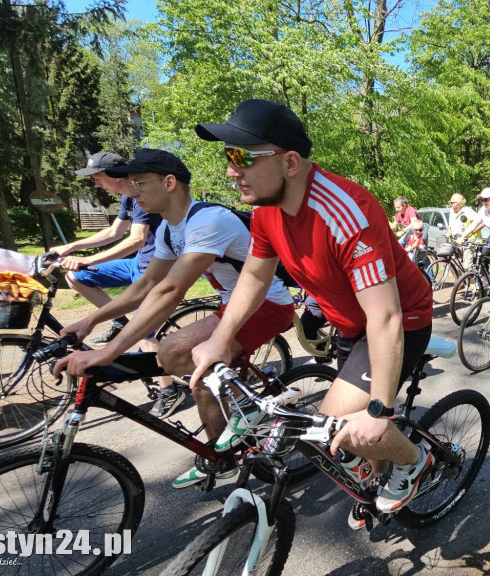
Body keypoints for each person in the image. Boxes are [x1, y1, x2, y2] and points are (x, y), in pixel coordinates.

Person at [190, 99, 435, 522]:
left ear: (289, 162)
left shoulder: (346, 214)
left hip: (401, 320)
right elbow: (253, 277)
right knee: (350, 436)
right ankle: (374, 482)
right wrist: (219, 339)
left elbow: (386, 318)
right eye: (227, 156)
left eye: (241, 156)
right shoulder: (266, 209)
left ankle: (415, 461)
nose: (231, 170)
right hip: (349, 325)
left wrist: (380, 410)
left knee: (341, 422)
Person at [52, 148, 297, 486]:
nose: (132, 191)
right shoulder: (169, 229)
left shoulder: (208, 221)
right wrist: (91, 321)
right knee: (201, 386)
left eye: (139, 182)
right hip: (235, 305)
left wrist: (108, 352)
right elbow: (147, 285)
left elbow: (170, 292)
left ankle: (248, 404)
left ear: (169, 182)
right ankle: (222, 455)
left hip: (266, 304)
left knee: (173, 351)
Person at [52, 152, 163, 344]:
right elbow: (114, 232)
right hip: (138, 263)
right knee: (75, 276)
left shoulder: (141, 197)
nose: (96, 185)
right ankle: (120, 321)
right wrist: (71, 247)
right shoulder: (127, 198)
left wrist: (87, 259)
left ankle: (161, 371)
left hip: (154, 269)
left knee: (145, 337)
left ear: (115, 175)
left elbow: (136, 240)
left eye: (98, 178)